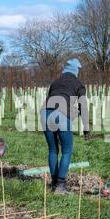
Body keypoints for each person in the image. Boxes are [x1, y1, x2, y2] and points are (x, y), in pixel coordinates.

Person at [41, 58, 90, 194]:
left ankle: (54, 184)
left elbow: (50, 97)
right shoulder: (78, 83)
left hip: (45, 113)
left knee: (53, 150)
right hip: (62, 114)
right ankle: (61, 187)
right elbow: (83, 106)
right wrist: (86, 126)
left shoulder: (55, 82)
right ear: (76, 70)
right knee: (67, 151)